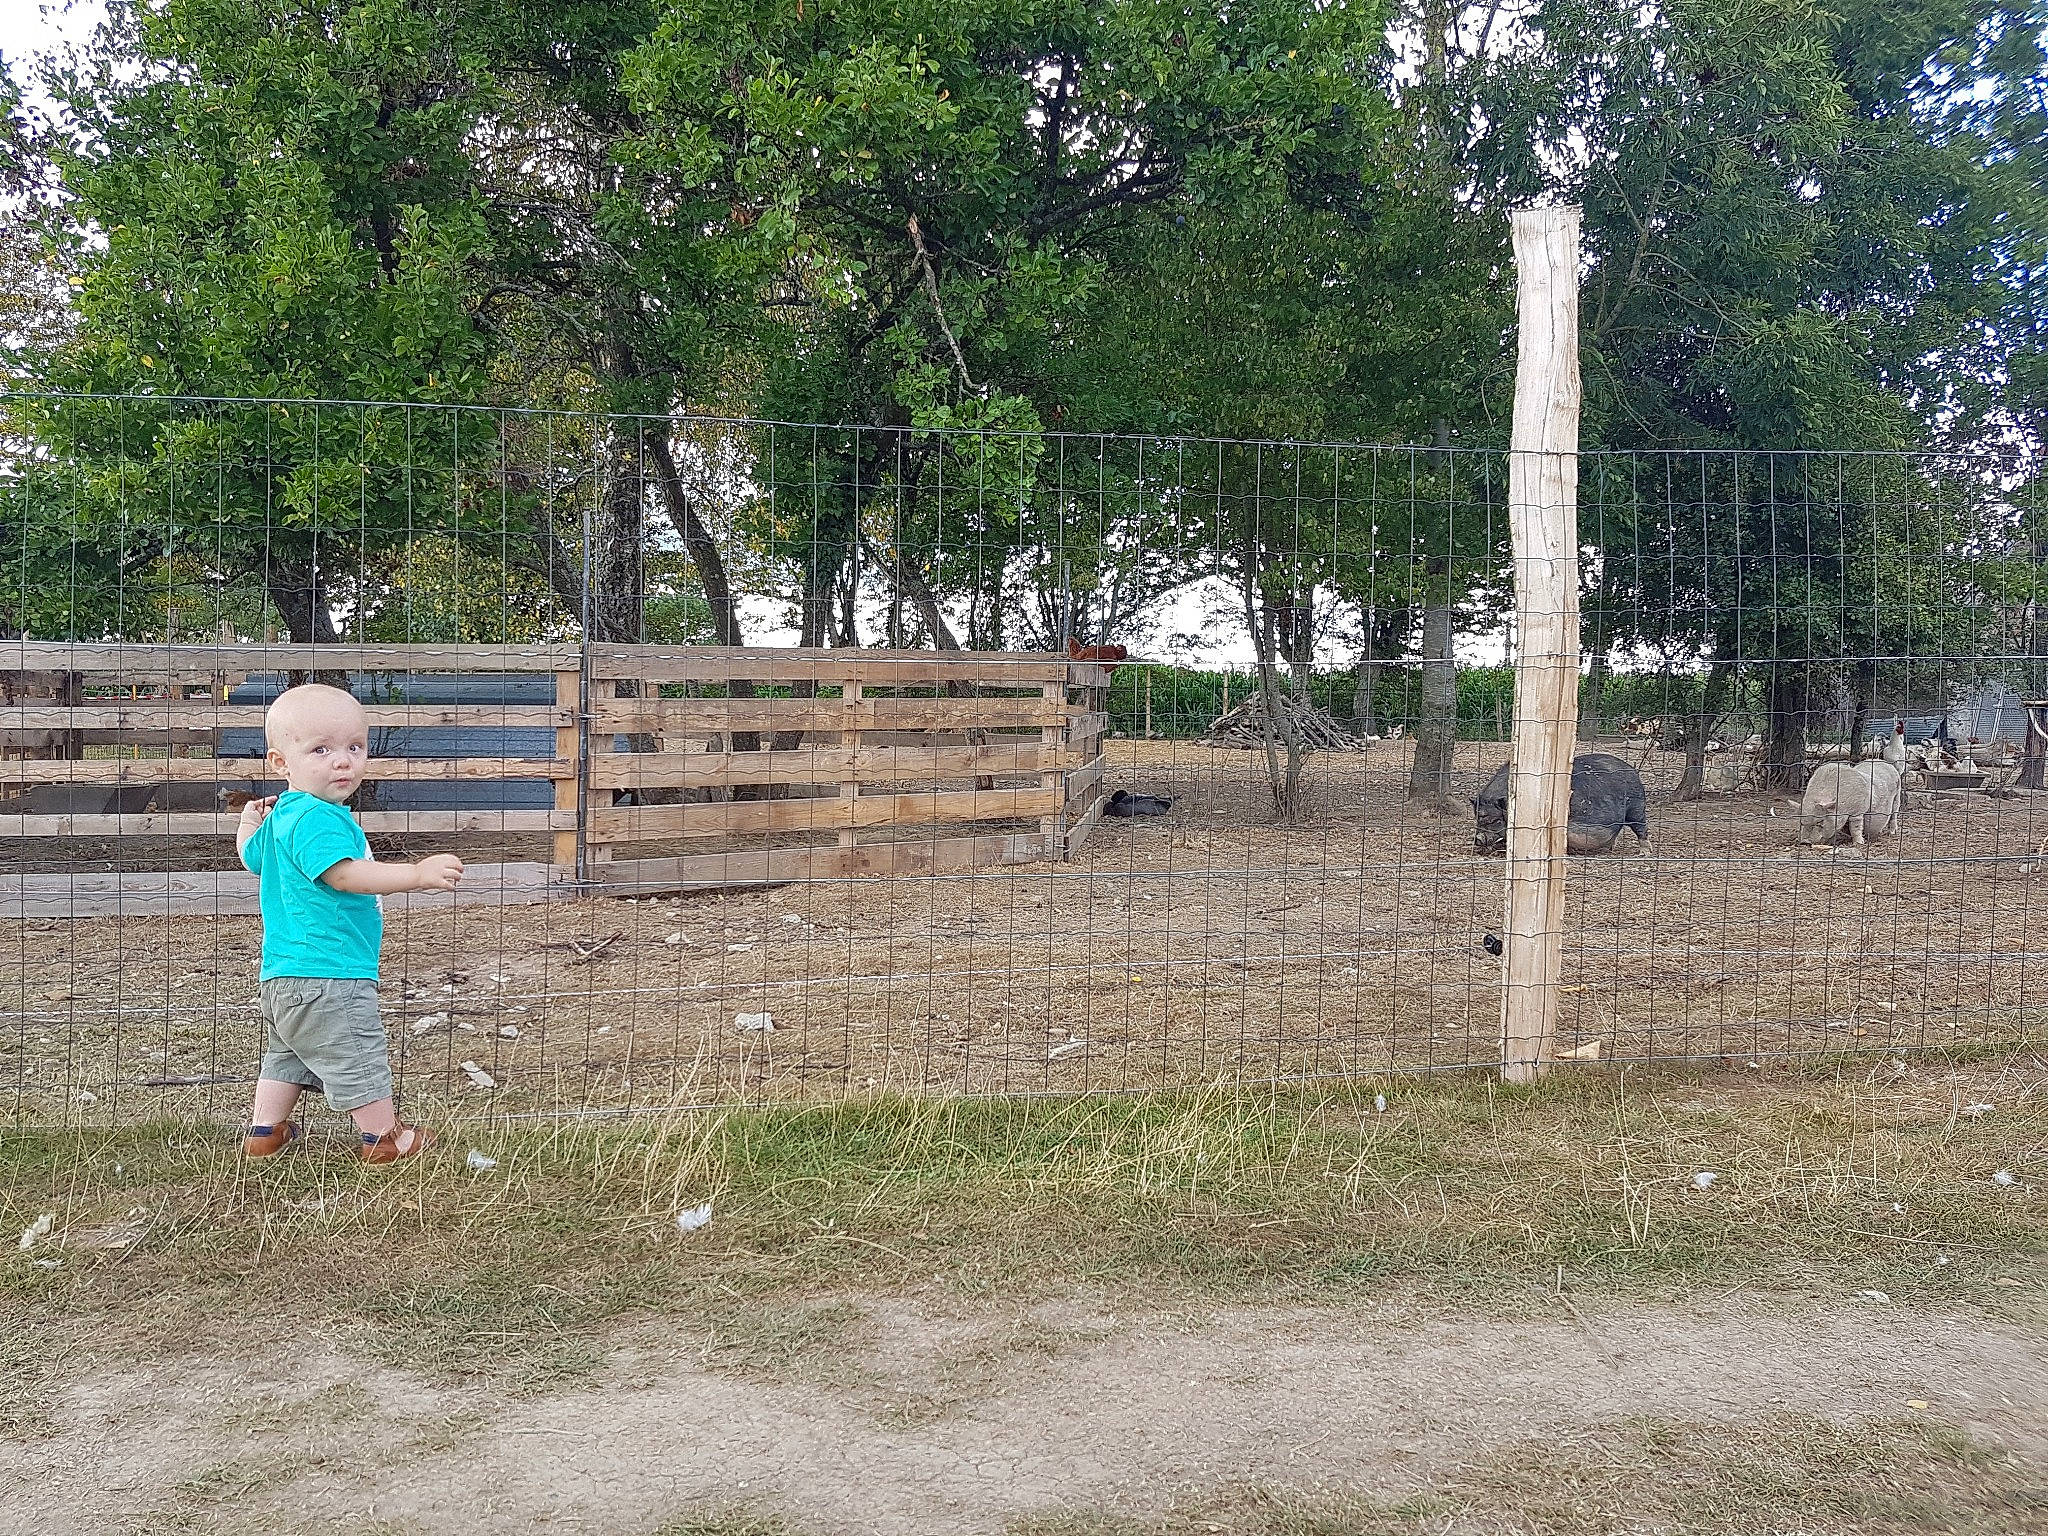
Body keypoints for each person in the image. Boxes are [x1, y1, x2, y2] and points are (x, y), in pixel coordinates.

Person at [235, 682, 464, 1162]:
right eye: (321, 749)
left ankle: (265, 1132)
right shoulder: (318, 818)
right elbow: (344, 875)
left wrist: (247, 825)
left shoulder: (283, 817)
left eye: (354, 747)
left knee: (287, 1056)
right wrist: (416, 874)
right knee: (357, 1055)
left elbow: (253, 860)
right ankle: (385, 1140)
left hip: (283, 975)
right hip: (330, 972)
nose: (343, 761)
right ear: (281, 762)